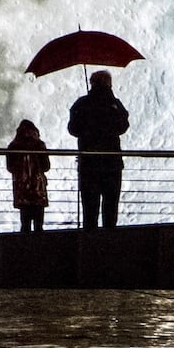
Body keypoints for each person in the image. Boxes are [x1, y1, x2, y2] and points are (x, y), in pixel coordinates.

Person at [67, 70, 130, 230]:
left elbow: (73, 129)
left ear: (92, 83)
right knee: (110, 208)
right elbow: (123, 126)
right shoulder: (115, 103)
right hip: (112, 163)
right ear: (109, 84)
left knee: (90, 210)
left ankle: (90, 245)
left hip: (88, 163)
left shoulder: (81, 104)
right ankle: (109, 245)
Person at [6, 119, 51, 232]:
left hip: (22, 189)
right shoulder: (39, 144)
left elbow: (10, 167)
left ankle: (24, 247)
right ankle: (40, 247)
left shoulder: (13, 146)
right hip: (38, 189)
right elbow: (46, 166)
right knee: (39, 226)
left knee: (25, 225)